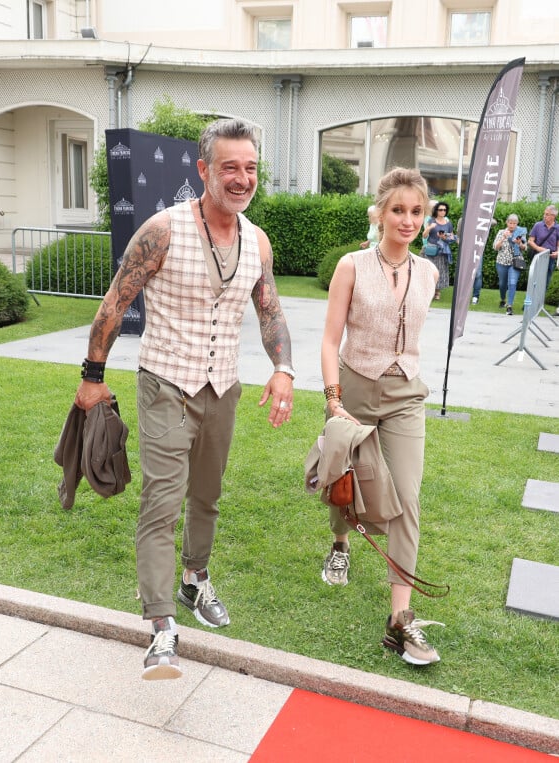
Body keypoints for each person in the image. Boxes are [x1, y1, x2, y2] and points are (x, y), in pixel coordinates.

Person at [74, 118, 295, 680]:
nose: (242, 178)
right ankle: (162, 627)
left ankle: (196, 582)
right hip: (166, 382)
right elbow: (114, 304)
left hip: (223, 386)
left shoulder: (258, 240)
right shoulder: (162, 230)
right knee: (162, 501)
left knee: (208, 496)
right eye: (230, 167)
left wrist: (283, 369)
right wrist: (92, 375)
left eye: (250, 167)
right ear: (203, 170)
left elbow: (269, 310)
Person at [320, 167, 444, 665]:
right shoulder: (351, 265)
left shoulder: (430, 273)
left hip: (405, 395)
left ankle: (400, 619)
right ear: (380, 213)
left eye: (416, 211)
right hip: (351, 388)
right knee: (343, 481)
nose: (408, 219)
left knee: (406, 496)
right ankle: (339, 542)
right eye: (398, 210)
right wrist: (333, 400)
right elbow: (331, 340)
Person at [493, 214, 527, 315]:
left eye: (514, 223)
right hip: (502, 262)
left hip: (515, 262)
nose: (512, 225)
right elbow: (495, 247)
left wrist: (519, 243)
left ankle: (509, 306)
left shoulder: (521, 232)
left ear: (517, 224)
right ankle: (503, 299)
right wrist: (503, 238)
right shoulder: (501, 232)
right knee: (503, 284)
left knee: (512, 283)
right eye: (510, 223)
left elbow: (525, 248)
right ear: (507, 222)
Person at [422, 201, 455, 301]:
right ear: (436, 210)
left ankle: (437, 292)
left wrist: (444, 236)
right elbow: (424, 235)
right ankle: (429, 291)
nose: (443, 212)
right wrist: (430, 228)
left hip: (442, 250)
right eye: (440, 210)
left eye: (444, 210)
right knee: (429, 271)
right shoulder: (431, 221)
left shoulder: (448, 223)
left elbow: (452, 236)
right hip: (431, 249)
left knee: (440, 270)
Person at [528, 205, 559, 291]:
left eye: (547, 214)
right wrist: (538, 248)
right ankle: (529, 302)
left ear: (553, 216)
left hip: (550, 258)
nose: (544, 216)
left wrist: (557, 253)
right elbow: (530, 241)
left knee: (546, 281)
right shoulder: (538, 225)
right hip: (538, 256)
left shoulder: (557, 228)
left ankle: (539, 303)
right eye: (544, 214)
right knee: (534, 279)